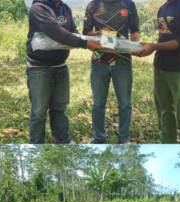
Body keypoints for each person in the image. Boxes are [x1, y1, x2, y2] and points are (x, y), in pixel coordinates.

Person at [26, 0, 107, 144]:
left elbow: (72, 32)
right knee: (39, 112)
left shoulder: (65, 8)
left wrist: (88, 37)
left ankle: (63, 142)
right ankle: (36, 144)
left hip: (61, 66)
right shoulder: (38, 9)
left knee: (60, 108)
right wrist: (85, 43)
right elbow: (56, 32)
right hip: (39, 68)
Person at [132, 0, 180, 144]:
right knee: (164, 114)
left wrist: (154, 46)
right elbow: (165, 36)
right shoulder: (162, 9)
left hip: (179, 68)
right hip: (160, 67)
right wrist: (147, 47)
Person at [82, 0, 140, 144]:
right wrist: (98, 33)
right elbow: (85, 32)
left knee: (125, 103)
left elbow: (134, 30)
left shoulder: (129, 4)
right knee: (98, 103)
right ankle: (99, 137)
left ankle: (124, 139)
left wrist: (134, 45)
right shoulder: (92, 5)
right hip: (99, 61)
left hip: (123, 61)